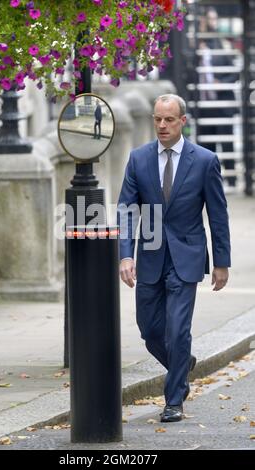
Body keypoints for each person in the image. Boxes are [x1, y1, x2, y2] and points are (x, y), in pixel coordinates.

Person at [117, 94, 231, 423]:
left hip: (187, 255)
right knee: (150, 330)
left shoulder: (205, 160)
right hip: (150, 255)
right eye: (157, 119)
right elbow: (126, 210)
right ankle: (182, 363)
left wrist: (222, 261)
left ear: (183, 121)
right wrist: (126, 254)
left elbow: (218, 214)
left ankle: (174, 399)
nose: (162, 125)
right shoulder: (138, 159)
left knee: (178, 329)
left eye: (169, 120)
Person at [197, 7, 239, 187]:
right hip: (204, 106)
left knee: (226, 143)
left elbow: (235, 73)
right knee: (207, 149)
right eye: (209, 19)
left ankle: (232, 179)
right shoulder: (196, 46)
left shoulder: (223, 44)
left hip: (222, 104)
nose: (213, 23)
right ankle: (211, 181)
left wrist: (220, 82)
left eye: (215, 19)